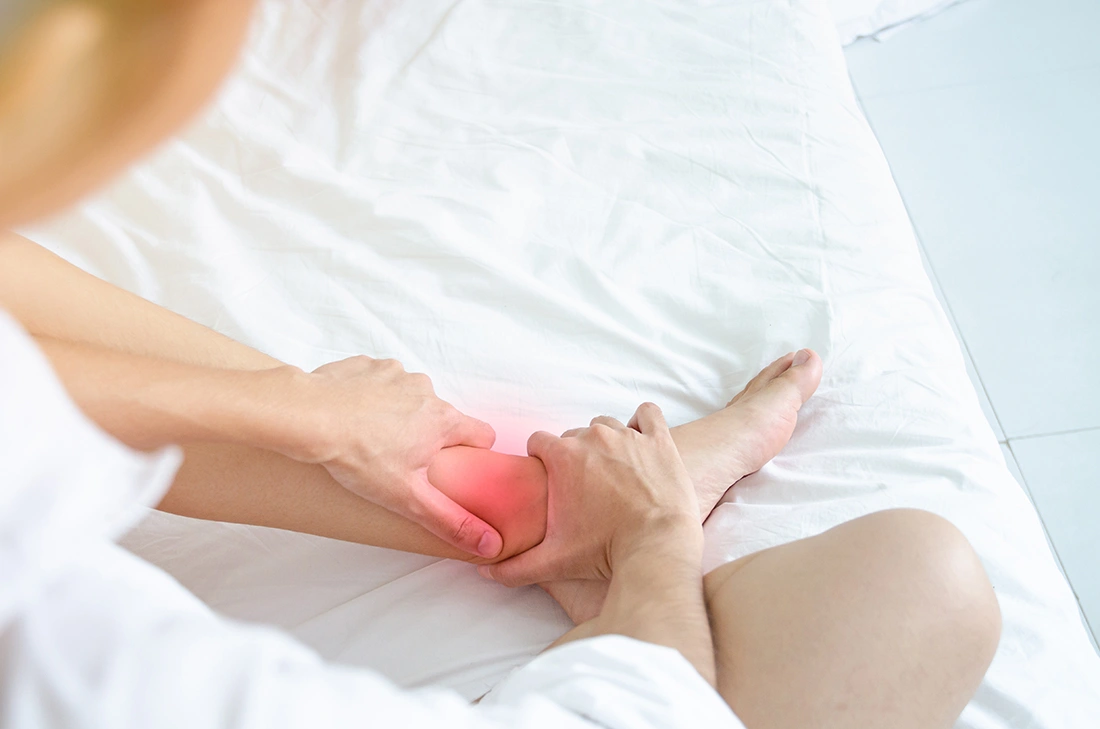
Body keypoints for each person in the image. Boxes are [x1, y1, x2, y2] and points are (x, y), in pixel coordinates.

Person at [0, 1, 1002, 727]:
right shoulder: (71, 649)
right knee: (920, 593)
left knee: (912, 583)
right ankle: (548, 521)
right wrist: (648, 544)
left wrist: (284, 406)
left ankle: (529, 510)